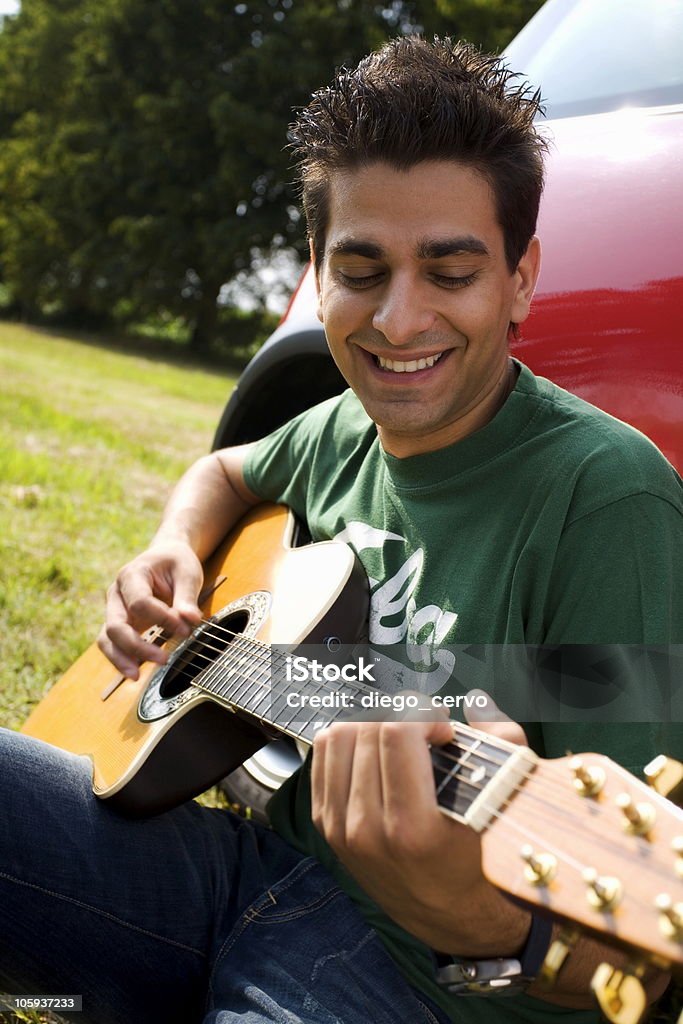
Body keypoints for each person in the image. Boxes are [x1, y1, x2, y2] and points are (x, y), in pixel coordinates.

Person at [1, 36, 681, 1024]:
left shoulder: (605, 498)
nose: (398, 322)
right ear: (315, 270)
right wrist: (172, 550)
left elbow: (634, 955)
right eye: (361, 271)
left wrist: (468, 916)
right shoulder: (338, 425)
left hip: (411, 990)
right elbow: (224, 470)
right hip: (237, 869)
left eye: (448, 273)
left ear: (520, 278)